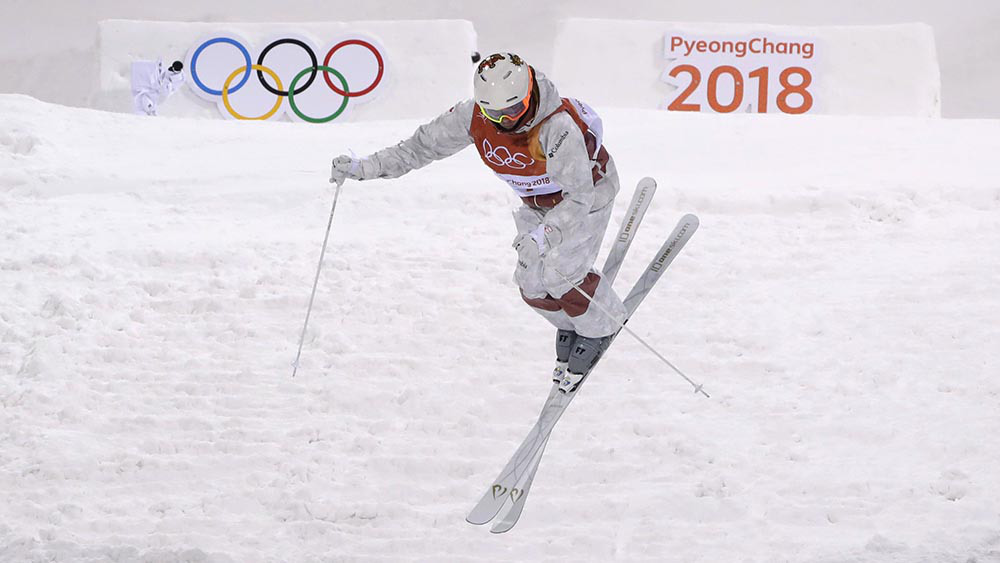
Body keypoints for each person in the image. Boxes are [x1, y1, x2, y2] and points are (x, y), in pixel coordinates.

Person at [330, 52, 626, 393]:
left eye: (513, 110)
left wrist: (543, 237)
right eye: (494, 112)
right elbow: (419, 147)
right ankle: (574, 320)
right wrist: (364, 168)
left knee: (560, 273)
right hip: (537, 204)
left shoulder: (556, 127)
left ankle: (602, 325)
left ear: (529, 95)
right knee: (531, 285)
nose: (505, 121)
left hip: (586, 196)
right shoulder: (473, 117)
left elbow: (578, 196)